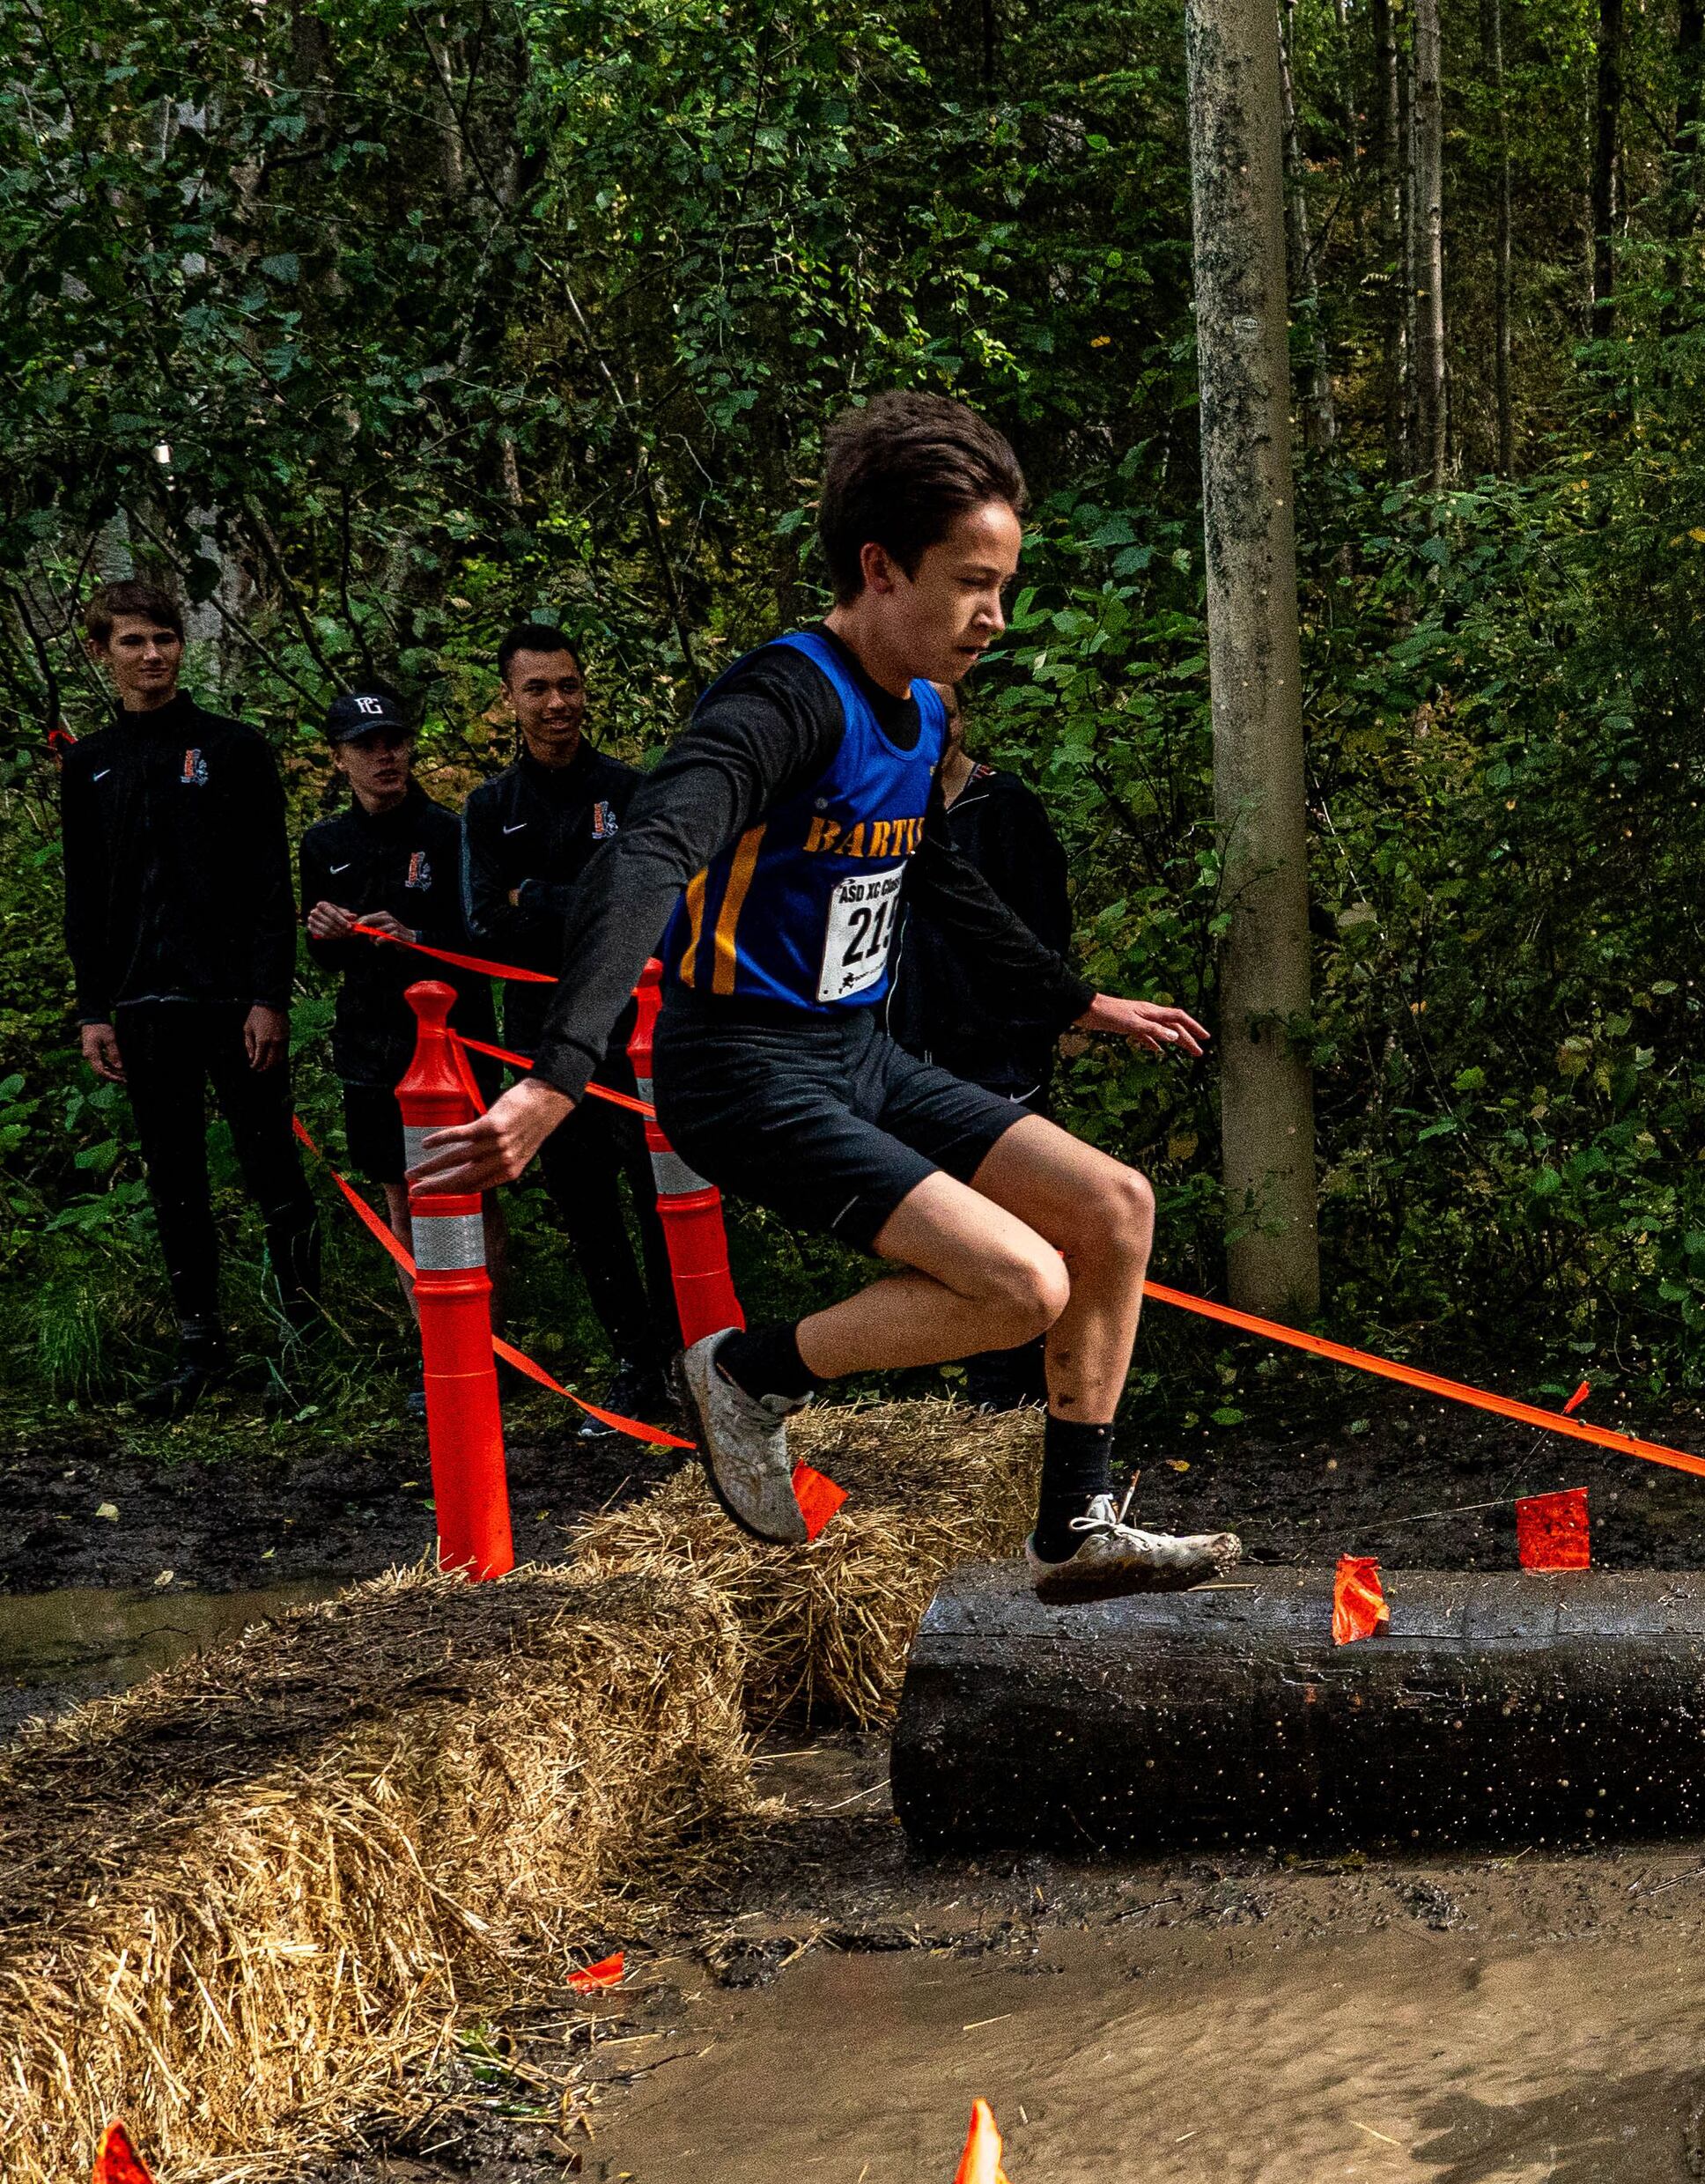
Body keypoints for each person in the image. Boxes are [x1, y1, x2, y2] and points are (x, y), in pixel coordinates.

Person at [410, 392, 1230, 1600]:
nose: (994, 617)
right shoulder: (781, 702)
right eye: (971, 583)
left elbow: (931, 871)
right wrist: (556, 1073)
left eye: (1006, 585)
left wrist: (1074, 1001)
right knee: (1022, 1285)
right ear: (879, 567)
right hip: (738, 1068)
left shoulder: (928, 709)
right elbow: (647, 854)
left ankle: (1075, 1524)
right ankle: (747, 1373)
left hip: (855, 1050)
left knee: (1113, 1206)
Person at [59, 579, 313, 1411]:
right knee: (176, 1179)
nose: (152, 654)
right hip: (142, 1007)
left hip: (234, 1002)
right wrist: (94, 1009)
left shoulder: (233, 747)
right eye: (131, 641)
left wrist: (268, 995)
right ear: (102, 654)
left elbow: (272, 884)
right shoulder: (89, 763)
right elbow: (86, 896)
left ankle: (305, 1339)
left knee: (272, 1163)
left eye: (163, 637)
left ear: (182, 642)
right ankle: (200, 1347)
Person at [461, 620, 680, 1414]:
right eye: (538, 689)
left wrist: (542, 898)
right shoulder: (490, 808)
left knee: (661, 1197)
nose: (558, 703)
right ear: (510, 700)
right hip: (541, 1035)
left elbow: (654, 908)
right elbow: (484, 919)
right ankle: (632, 1364)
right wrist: (589, 901)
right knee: (586, 1206)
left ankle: (682, 1355)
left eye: (569, 685)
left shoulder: (629, 790)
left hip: (633, 1032)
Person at [887, 692, 1074, 1410]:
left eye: (950, 719)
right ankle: (947, 1381)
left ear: (961, 722)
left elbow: (1042, 937)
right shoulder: (884, 811)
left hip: (997, 1065)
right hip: (906, 1057)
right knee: (939, 1232)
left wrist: (1023, 1036)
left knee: (1014, 1235)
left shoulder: (1006, 807)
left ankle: (1011, 1398)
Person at [295, 682, 469, 1228]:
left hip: (451, 1034)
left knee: (466, 1184)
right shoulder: (325, 843)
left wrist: (414, 937)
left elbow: (482, 938)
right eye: (367, 745)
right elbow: (324, 960)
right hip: (369, 1039)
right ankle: (420, 1313)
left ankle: (486, 1314)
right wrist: (325, 933)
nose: (384, 756)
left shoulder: (451, 832)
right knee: (400, 1188)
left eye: (394, 741)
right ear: (338, 757)